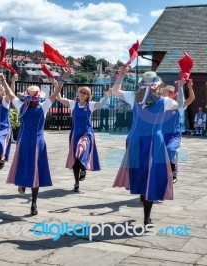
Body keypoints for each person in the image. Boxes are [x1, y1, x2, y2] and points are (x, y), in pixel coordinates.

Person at [112, 68, 177, 226]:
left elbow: (115, 90)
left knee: (142, 172)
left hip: (136, 140)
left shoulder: (134, 97)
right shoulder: (165, 101)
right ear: (157, 85)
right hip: (154, 141)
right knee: (151, 176)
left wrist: (121, 75)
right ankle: (147, 216)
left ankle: (143, 197)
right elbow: (176, 104)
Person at [3, 69, 71, 215]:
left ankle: (22, 183)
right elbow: (56, 92)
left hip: (23, 141)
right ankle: (33, 203)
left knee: (22, 164)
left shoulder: (21, 107)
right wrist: (63, 79)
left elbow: (10, 94)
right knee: (36, 171)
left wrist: (4, 80)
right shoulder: (44, 107)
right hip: (38, 142)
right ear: (39, 97)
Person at [57, 86, 111, 192]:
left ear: (88, 96)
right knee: (75, 160)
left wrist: (106, 97)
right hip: (75, 134)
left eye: (85, 93)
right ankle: (76, 182)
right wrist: (56, 85)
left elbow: (102, 104)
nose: (82, 94)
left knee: (81, 149)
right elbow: (58, 98)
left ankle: (83, 168)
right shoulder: (73, 104)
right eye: (81, 92)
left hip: (86, 134)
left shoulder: (90, 105)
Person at [161, 81, 194, 183]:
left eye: (169, 92)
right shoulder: (160, 107)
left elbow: (191, 99)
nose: (166, 94)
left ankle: (173, 171)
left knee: (170, 150)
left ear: (172, 94)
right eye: (165, 92)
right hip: (161, 136)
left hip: (174, 137)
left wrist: (189, 88)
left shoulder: (178, 106)